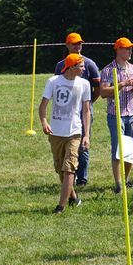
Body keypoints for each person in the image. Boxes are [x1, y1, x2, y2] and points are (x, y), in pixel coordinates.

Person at [39, 53, 91, 214]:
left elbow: (86, 111)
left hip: (74, 132)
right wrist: (44, 122)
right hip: (55, 132)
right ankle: (74, 198)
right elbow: (43, 106)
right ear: (71, 66)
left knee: (69, 168)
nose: (83, 69)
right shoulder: (53, 82)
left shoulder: (84, 84)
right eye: (81, 66)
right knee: (60, 170)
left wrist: (86, 135)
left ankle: (60, 207)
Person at [54, 33, 100, 187]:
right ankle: (68, 177)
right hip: (66, 112)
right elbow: (57, 86)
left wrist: (88, 103)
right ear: (67, 45)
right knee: (65, 142)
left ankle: (82, 179)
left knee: (83, 145)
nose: (77, 46)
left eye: (79, 43)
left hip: (84, 112)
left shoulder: (89, 64)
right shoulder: (60, 65)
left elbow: (97, 87)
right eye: (74, 44)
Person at [100, 37, 133, 194]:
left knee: (130, 149)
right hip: (115, 114)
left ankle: (126, 179)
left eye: (131, 48)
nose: (130, 51)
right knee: (118, 149)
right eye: (127, 48)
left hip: (131, 114)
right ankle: (118, 184)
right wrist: (122, 84)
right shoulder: (108, 70)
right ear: (118, 50)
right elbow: (103, 92)